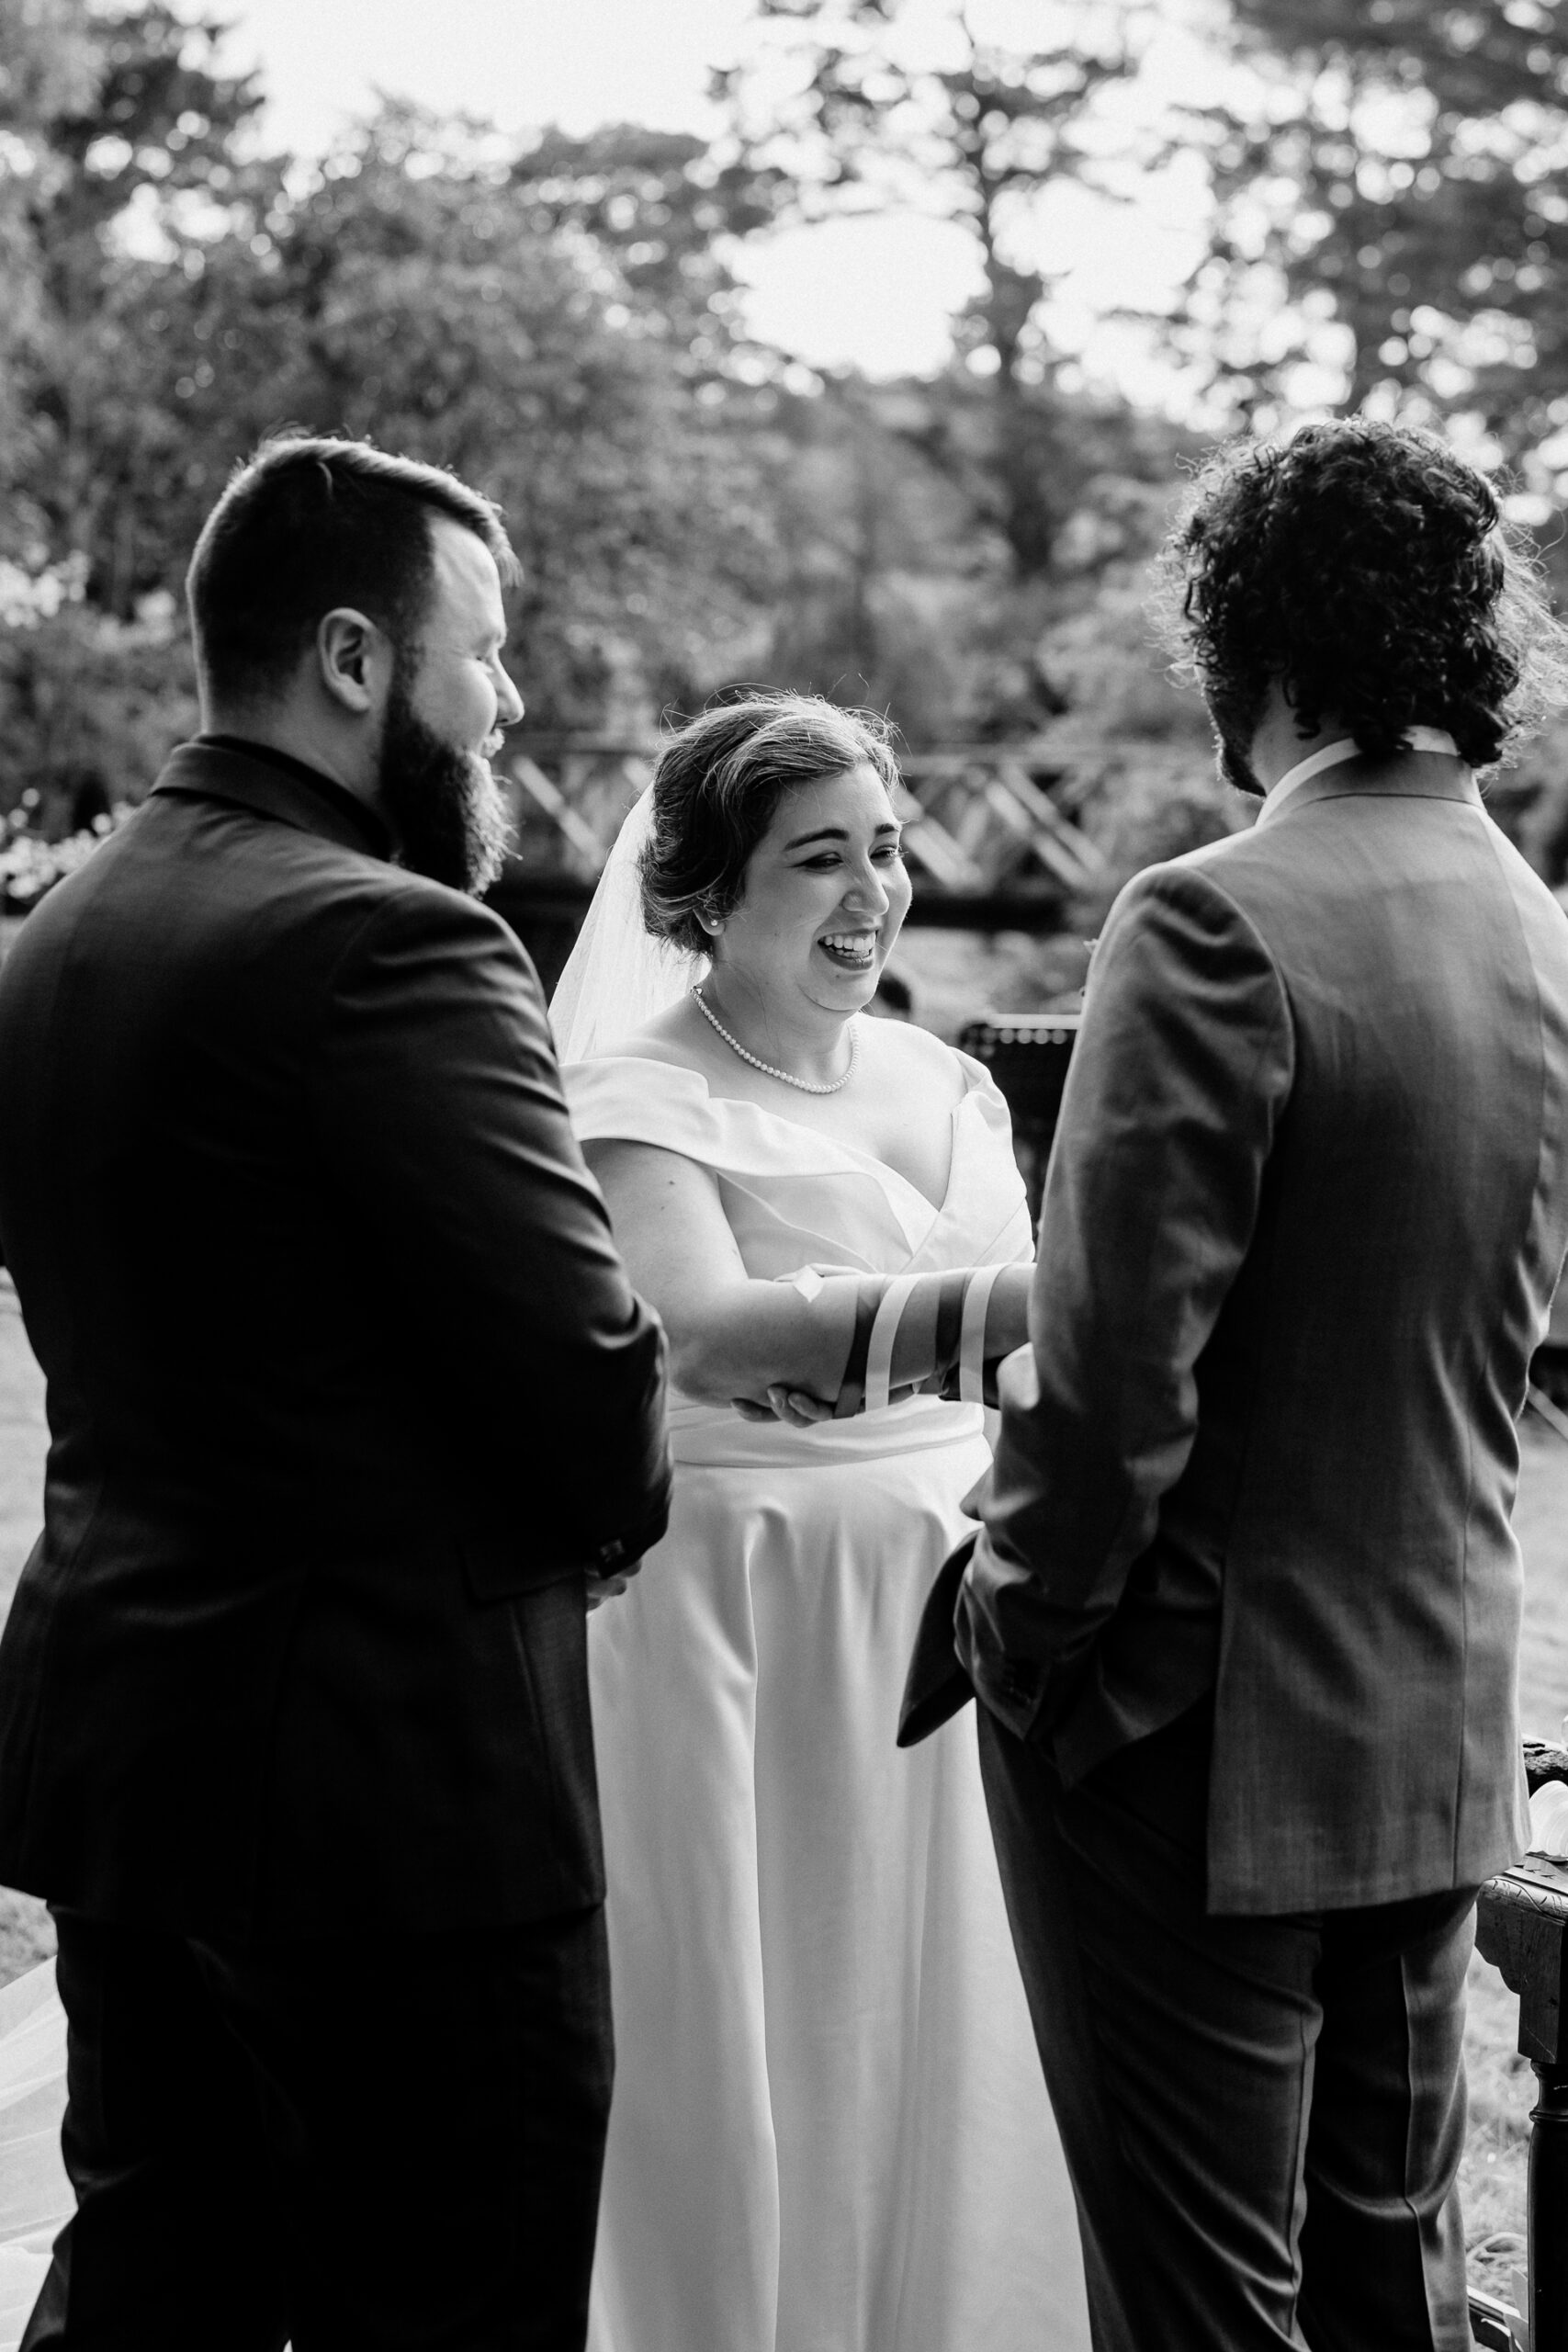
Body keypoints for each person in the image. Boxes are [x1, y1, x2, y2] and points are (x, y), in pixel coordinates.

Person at [903, 417, 1568, 2351]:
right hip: (1434, 1707)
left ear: (1244, 645)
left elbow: (1108, 1390)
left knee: (1198, 2303)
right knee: (1390, 2281)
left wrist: (1016, 1634)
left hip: (1183, 1737)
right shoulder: (1536, 936)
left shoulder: (1207, 916)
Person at [0, 434, 671, 2349]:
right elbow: (583, 1368)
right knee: (455, 2294)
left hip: (137, 1747)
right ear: (358, 660)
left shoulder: (67, 924)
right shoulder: (396, 940)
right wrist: (604, 1515)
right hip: (398, 1796)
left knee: (155, 2273)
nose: (510, 700)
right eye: (488, 651)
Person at [549, 692, 1090, 2352]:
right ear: (708, 890)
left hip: (949, 1599)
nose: (874, 895)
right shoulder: (632, 1089)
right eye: (820, 861)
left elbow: (1015, 1378)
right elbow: (705, 1328)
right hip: (735, 1598)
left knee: (938, 2006)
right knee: (750, 2001)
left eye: (887, 852)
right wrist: (1036, 1291)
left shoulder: (949, 1081)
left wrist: (870, 1336)